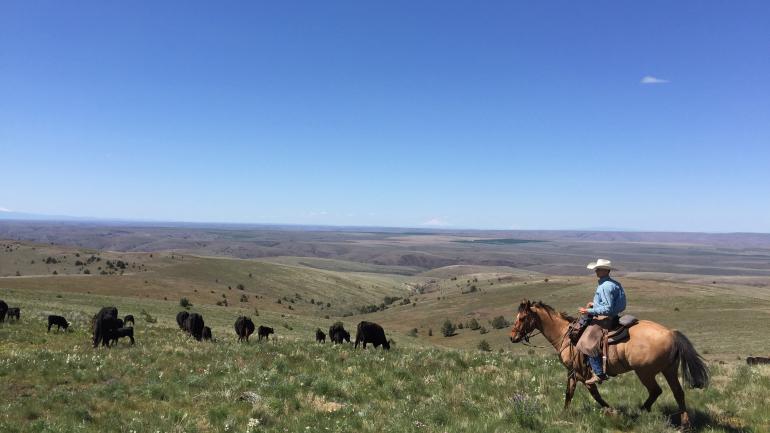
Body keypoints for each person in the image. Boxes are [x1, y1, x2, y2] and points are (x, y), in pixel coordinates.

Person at [577, 258, 627, 385]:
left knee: (587, 342)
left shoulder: (604, 286)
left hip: (605, 319)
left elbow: (607, 308)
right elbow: (620, 304)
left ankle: (598, 373)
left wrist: (588, 311)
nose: (596, 271)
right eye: (596, 269)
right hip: (614, 316)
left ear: (606, 270)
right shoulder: (615, 284)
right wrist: (594, 304)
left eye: (598, 269)